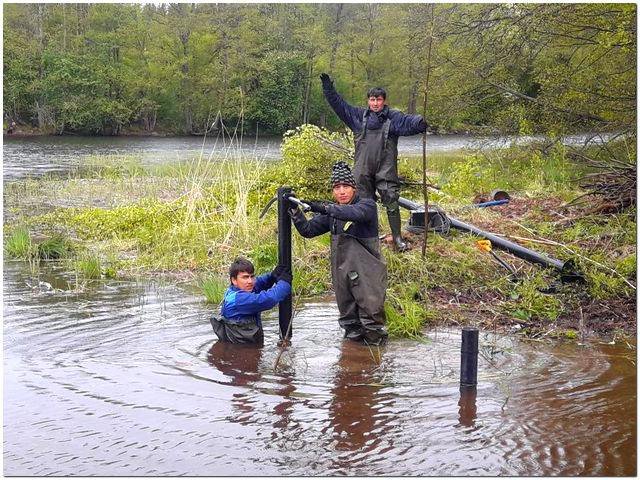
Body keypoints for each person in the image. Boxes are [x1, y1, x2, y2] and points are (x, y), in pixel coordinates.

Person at [320, 73, 429, 251]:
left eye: (379, 100)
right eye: (372, 100)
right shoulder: (357, 116)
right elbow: (338, 105)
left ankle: (397, 238)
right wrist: (328, 88)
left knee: (391, 200)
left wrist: (421, 121)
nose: (375, 103)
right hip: (362, 169)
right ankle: (364, 236)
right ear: (368, 101)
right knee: (362, 204)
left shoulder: (393, 118)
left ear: (384, 101)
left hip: (385, 168)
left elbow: (410, 123)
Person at [289, 161, 388, 346]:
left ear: (354, 188)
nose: (341, 191)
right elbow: (308, 230)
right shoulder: (333, 215)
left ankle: (377, 365)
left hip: (368, 275)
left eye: (346, 186)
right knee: (350, 322)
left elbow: (353, 213)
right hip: (343, 275)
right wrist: (295, 211)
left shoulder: (367, 206)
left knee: (371, 320)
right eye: (337, 187)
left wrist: (323, 207)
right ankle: (351, 361)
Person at [211, 257, 292, 346]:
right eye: (245, 277)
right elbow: (269, 299)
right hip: (241, 351)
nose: (250, 281)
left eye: (252, 276)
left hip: (242, 345)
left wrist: (272, 276)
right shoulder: (239, 300)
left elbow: (259, 283)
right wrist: (285, 283)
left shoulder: (236, 290)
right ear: (234, 280)